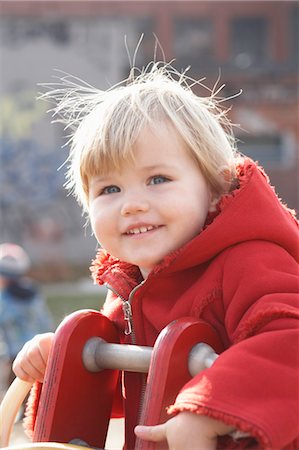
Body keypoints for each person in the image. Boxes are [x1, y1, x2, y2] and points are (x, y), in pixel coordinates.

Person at [13, 63, 298, 449]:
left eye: (158, 180)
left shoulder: (248, 261)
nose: (131, 205)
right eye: (110, 189)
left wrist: (210, 408)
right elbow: (122, 390)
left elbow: (289, 343)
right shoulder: (132, 286)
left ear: (214, 188)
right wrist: (63, 359)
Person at [0, 243, 54, 388]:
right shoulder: (33, 293)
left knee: (12, 398)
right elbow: (45, 322)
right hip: (38, 353)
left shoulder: (3, 299)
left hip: (15, 357)